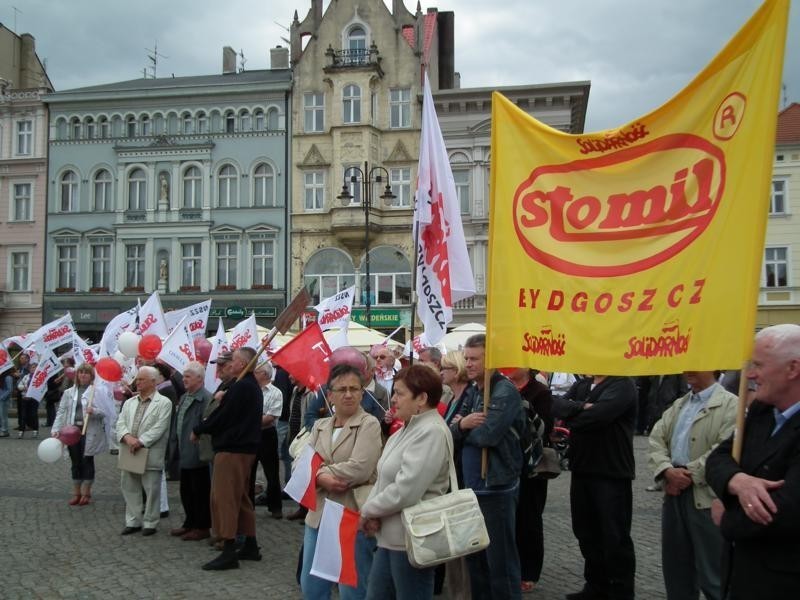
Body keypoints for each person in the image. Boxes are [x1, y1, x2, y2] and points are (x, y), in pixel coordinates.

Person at [705, 324, 800, 599]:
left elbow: (783, 511)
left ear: (792, 369)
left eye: (758, 365)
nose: (751, 374)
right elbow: (719, 458)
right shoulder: (762, 409)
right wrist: (737, 480)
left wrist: (727, 519)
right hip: (741, 575)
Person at [360, 364, 451, 600]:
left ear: (421, 398)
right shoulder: (404, 429)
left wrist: (368, 510)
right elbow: (383, 480)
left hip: (412, 539)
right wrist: (372, 513)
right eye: (394, 392)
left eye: (400, 393)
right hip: (391, 537)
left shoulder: (431, 431)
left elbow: (406, 490)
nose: (393, 399)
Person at [648, 371, 737, 600]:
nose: (688, 370)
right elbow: (656, 438)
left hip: (705, 497)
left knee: (713, 573)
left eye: (697, 364)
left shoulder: (731, 405)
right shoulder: (680, 404)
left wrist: (688, 474)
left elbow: (724, 449)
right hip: (674, 493)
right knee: (677, 570)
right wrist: (667, 471)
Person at [450, 334, 524, 600]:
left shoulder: (504, 390)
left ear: (489, 359)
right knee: (476, 561)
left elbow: (488, 434)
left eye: (474, 358)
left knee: (500, 562)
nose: (468, 364)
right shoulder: (473, 389)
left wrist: (464, 426)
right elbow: (450, 428)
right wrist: (462, 424)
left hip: (495, 486)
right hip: (471, 487)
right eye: (466, 358)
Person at [300, 363, 383, 600]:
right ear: (330, 394)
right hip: (318, 514)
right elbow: (301, 463)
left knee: (353, 589)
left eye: (354, 389)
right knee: (311, 586)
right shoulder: (320, 425)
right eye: (342, 389)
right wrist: (320, 477)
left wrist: (318, 471)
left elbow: (360, 467)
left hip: (351, 514)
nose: (348, 394)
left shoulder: (369, 424)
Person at [558, 375, 638, 600]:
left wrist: (571, 416)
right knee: (586, 532)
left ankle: (620, 592)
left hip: (611, 471)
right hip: (582, 468)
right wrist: (581, 407)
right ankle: (595, 586)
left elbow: (598, 417)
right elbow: (555, 404)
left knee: (614, 536)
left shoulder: (622, 384)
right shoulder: (583, 384)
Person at [192, 347, 262, 571]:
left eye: (233, 360)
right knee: (241, 498)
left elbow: (222, 417)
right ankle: (250, 544)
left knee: (225, 499)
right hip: (244, 449)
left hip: (232, 450)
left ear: (242, 364)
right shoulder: (247, 386)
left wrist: (200, 428)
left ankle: (229, 548)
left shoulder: (241, 387)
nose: (229, 364)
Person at [508, 368, 553, 595]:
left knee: (529, 518)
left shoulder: (539, 392)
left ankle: (529, 572)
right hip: (510, 463)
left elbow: (544, 428)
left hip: (532, 465)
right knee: (512, 520)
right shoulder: (504, 387)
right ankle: (514, 566)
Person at [115, 365, 173, 536]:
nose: (137, 382)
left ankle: (150, 521)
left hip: (149, 450)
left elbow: (160, 427)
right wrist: (127, 437)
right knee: (129, 486)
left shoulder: (164, 403)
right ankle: (132, 520)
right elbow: (120, 423)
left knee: (152, 488)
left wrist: (140, 441)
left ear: (153, 382)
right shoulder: (130, 402)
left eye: (141, 379)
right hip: (129, 449)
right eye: (137, 379)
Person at [51, 363, 109, 505]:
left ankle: (86, 491)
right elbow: (62, 411)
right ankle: (76, 491)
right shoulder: (69, 392)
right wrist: (56, 429)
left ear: (91, 376)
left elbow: (105, 412)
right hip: (72, 432)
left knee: (87, 460)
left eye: (86, 373)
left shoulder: (96, 392)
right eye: (81, 372)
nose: (83, 375)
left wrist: (94, 411)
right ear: (77, 375)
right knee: (75, 461)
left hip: (88, 431)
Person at [169, 361, 212, 541]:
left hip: (197, 452)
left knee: (199, 491)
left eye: (188, 376)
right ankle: (189, 522)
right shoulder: (186, 396)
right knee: (186, 490)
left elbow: (206, 425)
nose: (184, 379)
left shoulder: (205, 398)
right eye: (184, 376)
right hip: (184, 449)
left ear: (200, 379)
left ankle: (202, 526)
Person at [253, 360, 283, 519]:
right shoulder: (251, 390)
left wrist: (249, 421)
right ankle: (247, 505)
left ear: (264, 374)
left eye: (256, 372)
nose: (253, 375)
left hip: (267, 434)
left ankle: (276, 506)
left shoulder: (275, 392)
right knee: (249, 471)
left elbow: (271, 417)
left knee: (271, 473)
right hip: (251, 434)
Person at [16, 358, 40, 438]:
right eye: (32, 368)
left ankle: (35, 430)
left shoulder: (39, 377)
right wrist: (24, 388)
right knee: (23, 415)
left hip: (34, 399)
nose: (33, 369)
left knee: (33, 415)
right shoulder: (26, 377)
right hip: (25, 398)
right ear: (29, 369)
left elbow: (41, 388)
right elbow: (19, 386)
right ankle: (21, 431)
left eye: (35, 367)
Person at [0, 370, 12, 437]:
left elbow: (9, 389)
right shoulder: (1, 377)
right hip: (1, 398)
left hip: (3, 400)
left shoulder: (8, 377)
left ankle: (5, 430)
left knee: (3, 416)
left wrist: (2, 397)